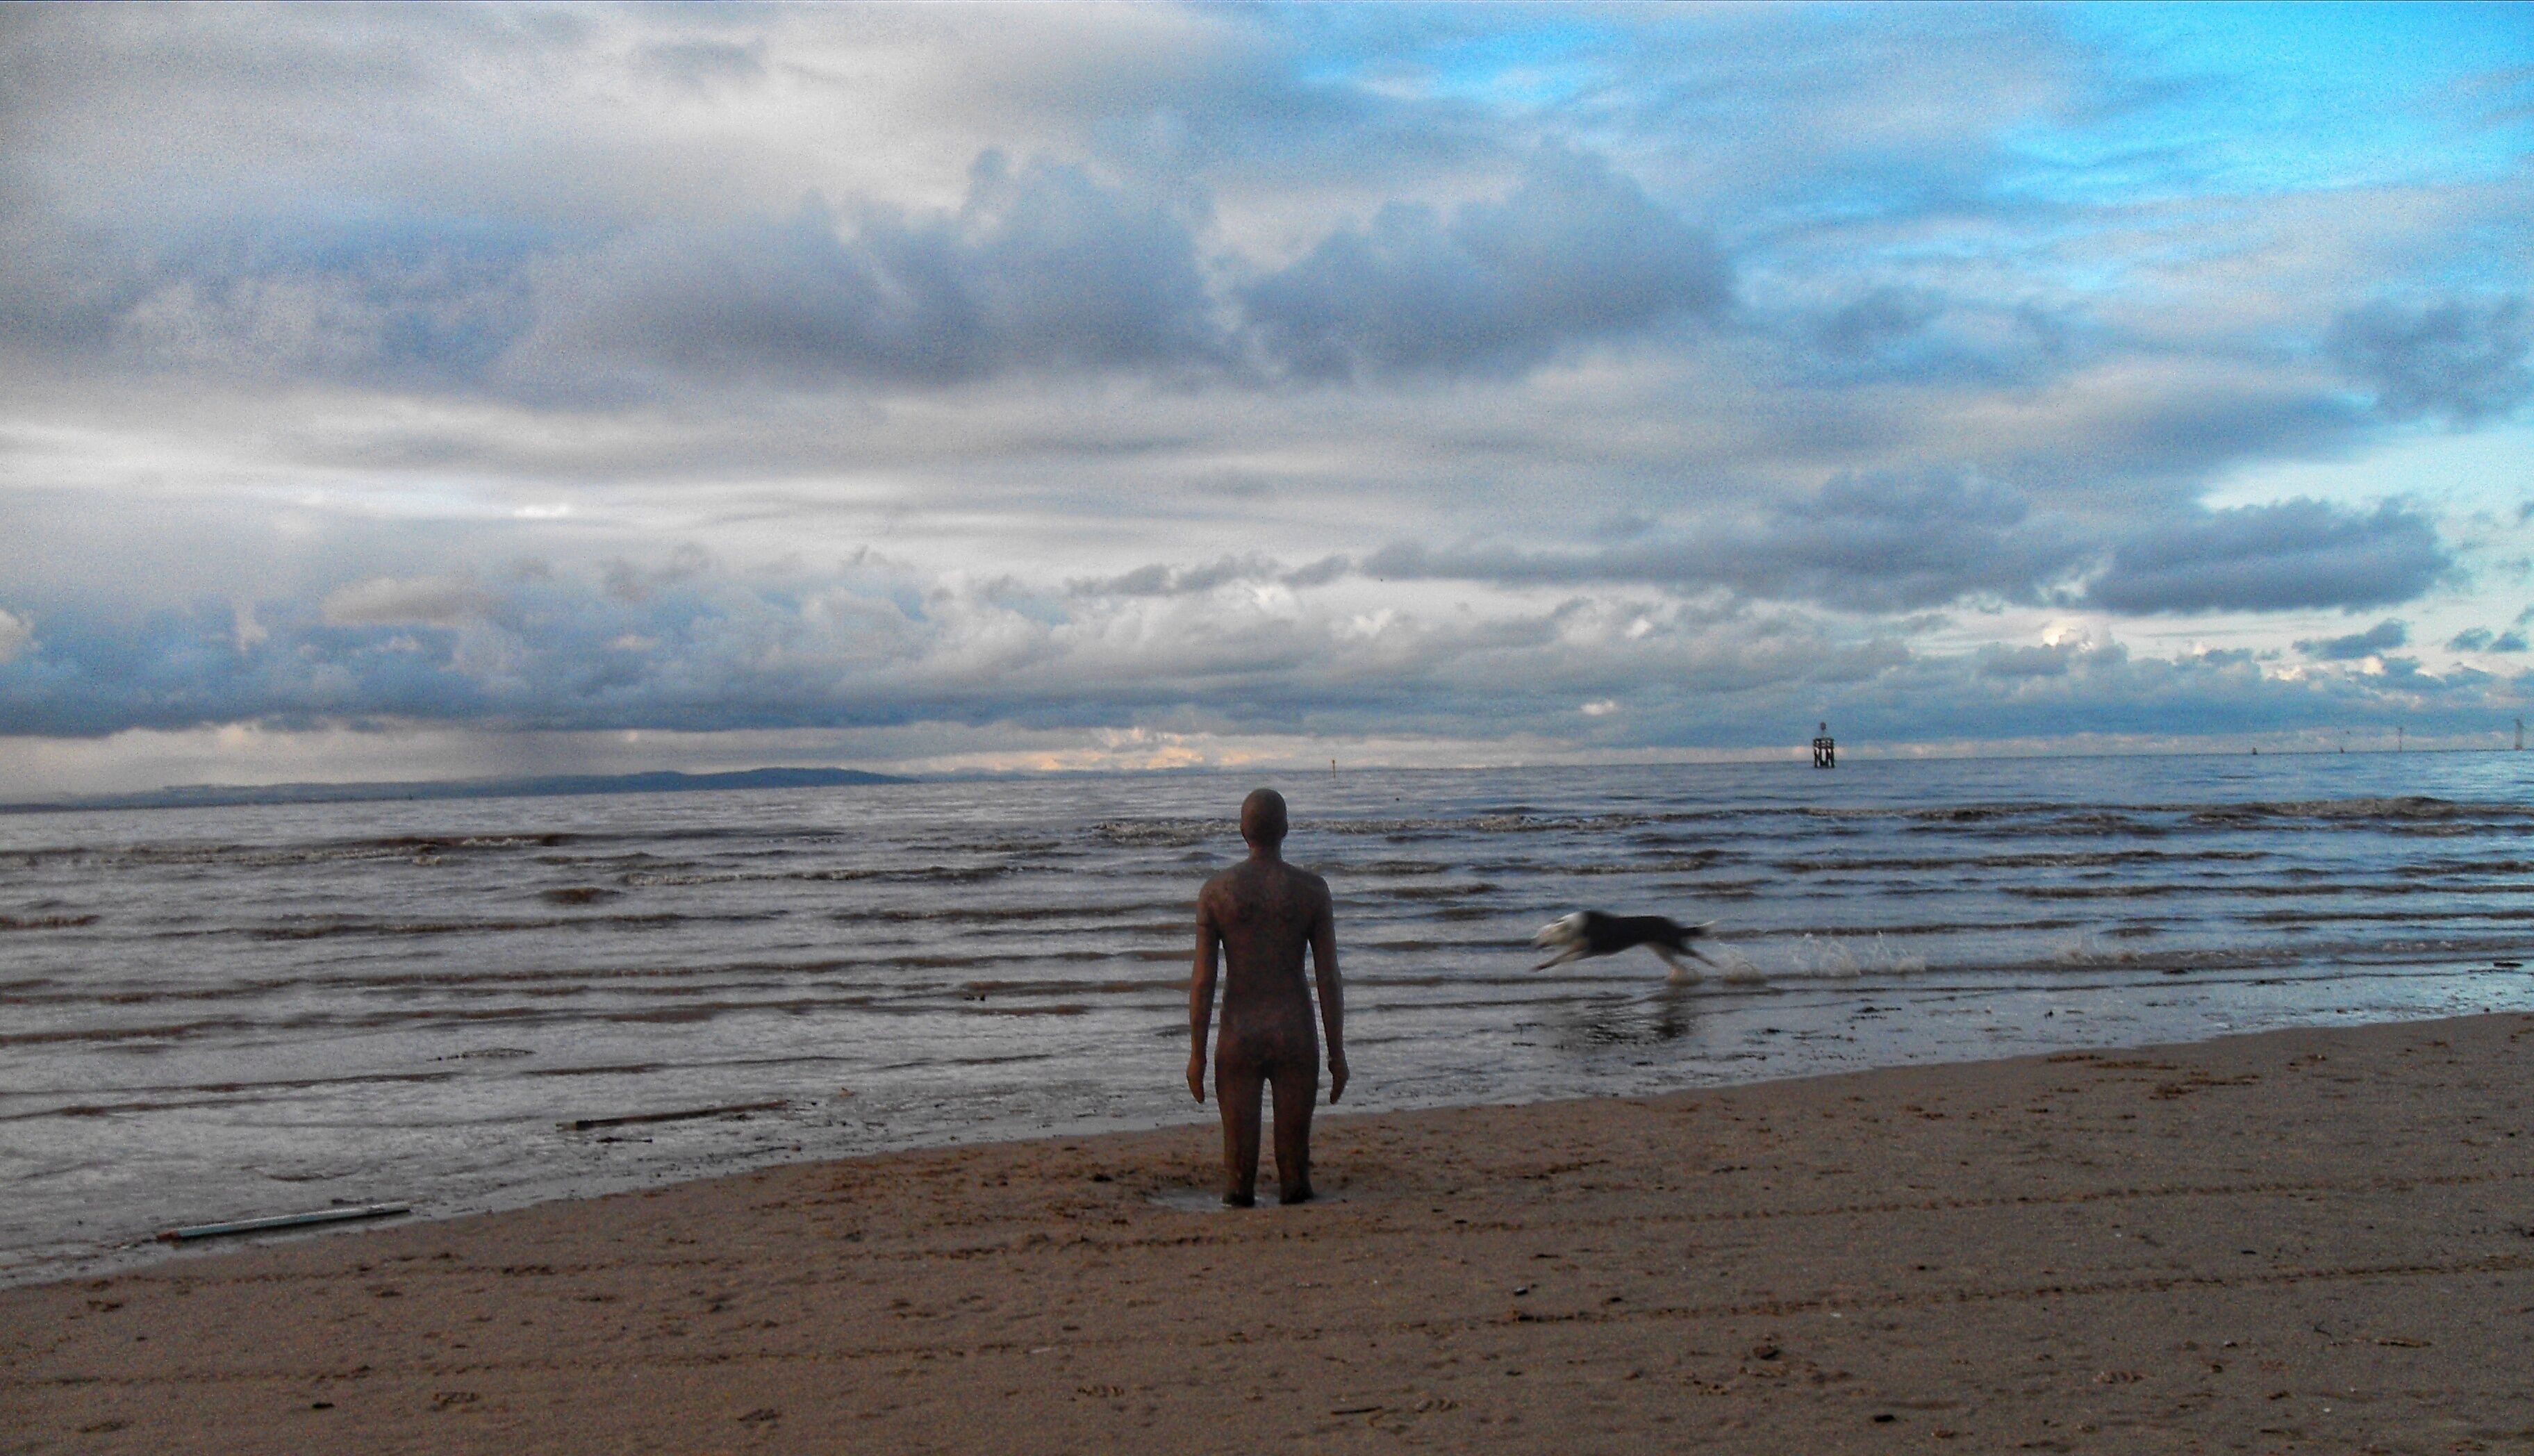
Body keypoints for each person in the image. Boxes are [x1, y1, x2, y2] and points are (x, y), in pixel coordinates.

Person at [1186, 788, 1347, 1206]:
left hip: (1239, 1033)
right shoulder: (1312, 891)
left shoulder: (1217, 892)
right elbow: (1328, 977)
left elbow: (1204, 981)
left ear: (1242, 831)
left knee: (1236, 1180)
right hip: (1294, 1029)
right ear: (1286, 830)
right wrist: (1337, 1053)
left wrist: (1197, 1055)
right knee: (1296, 1177)